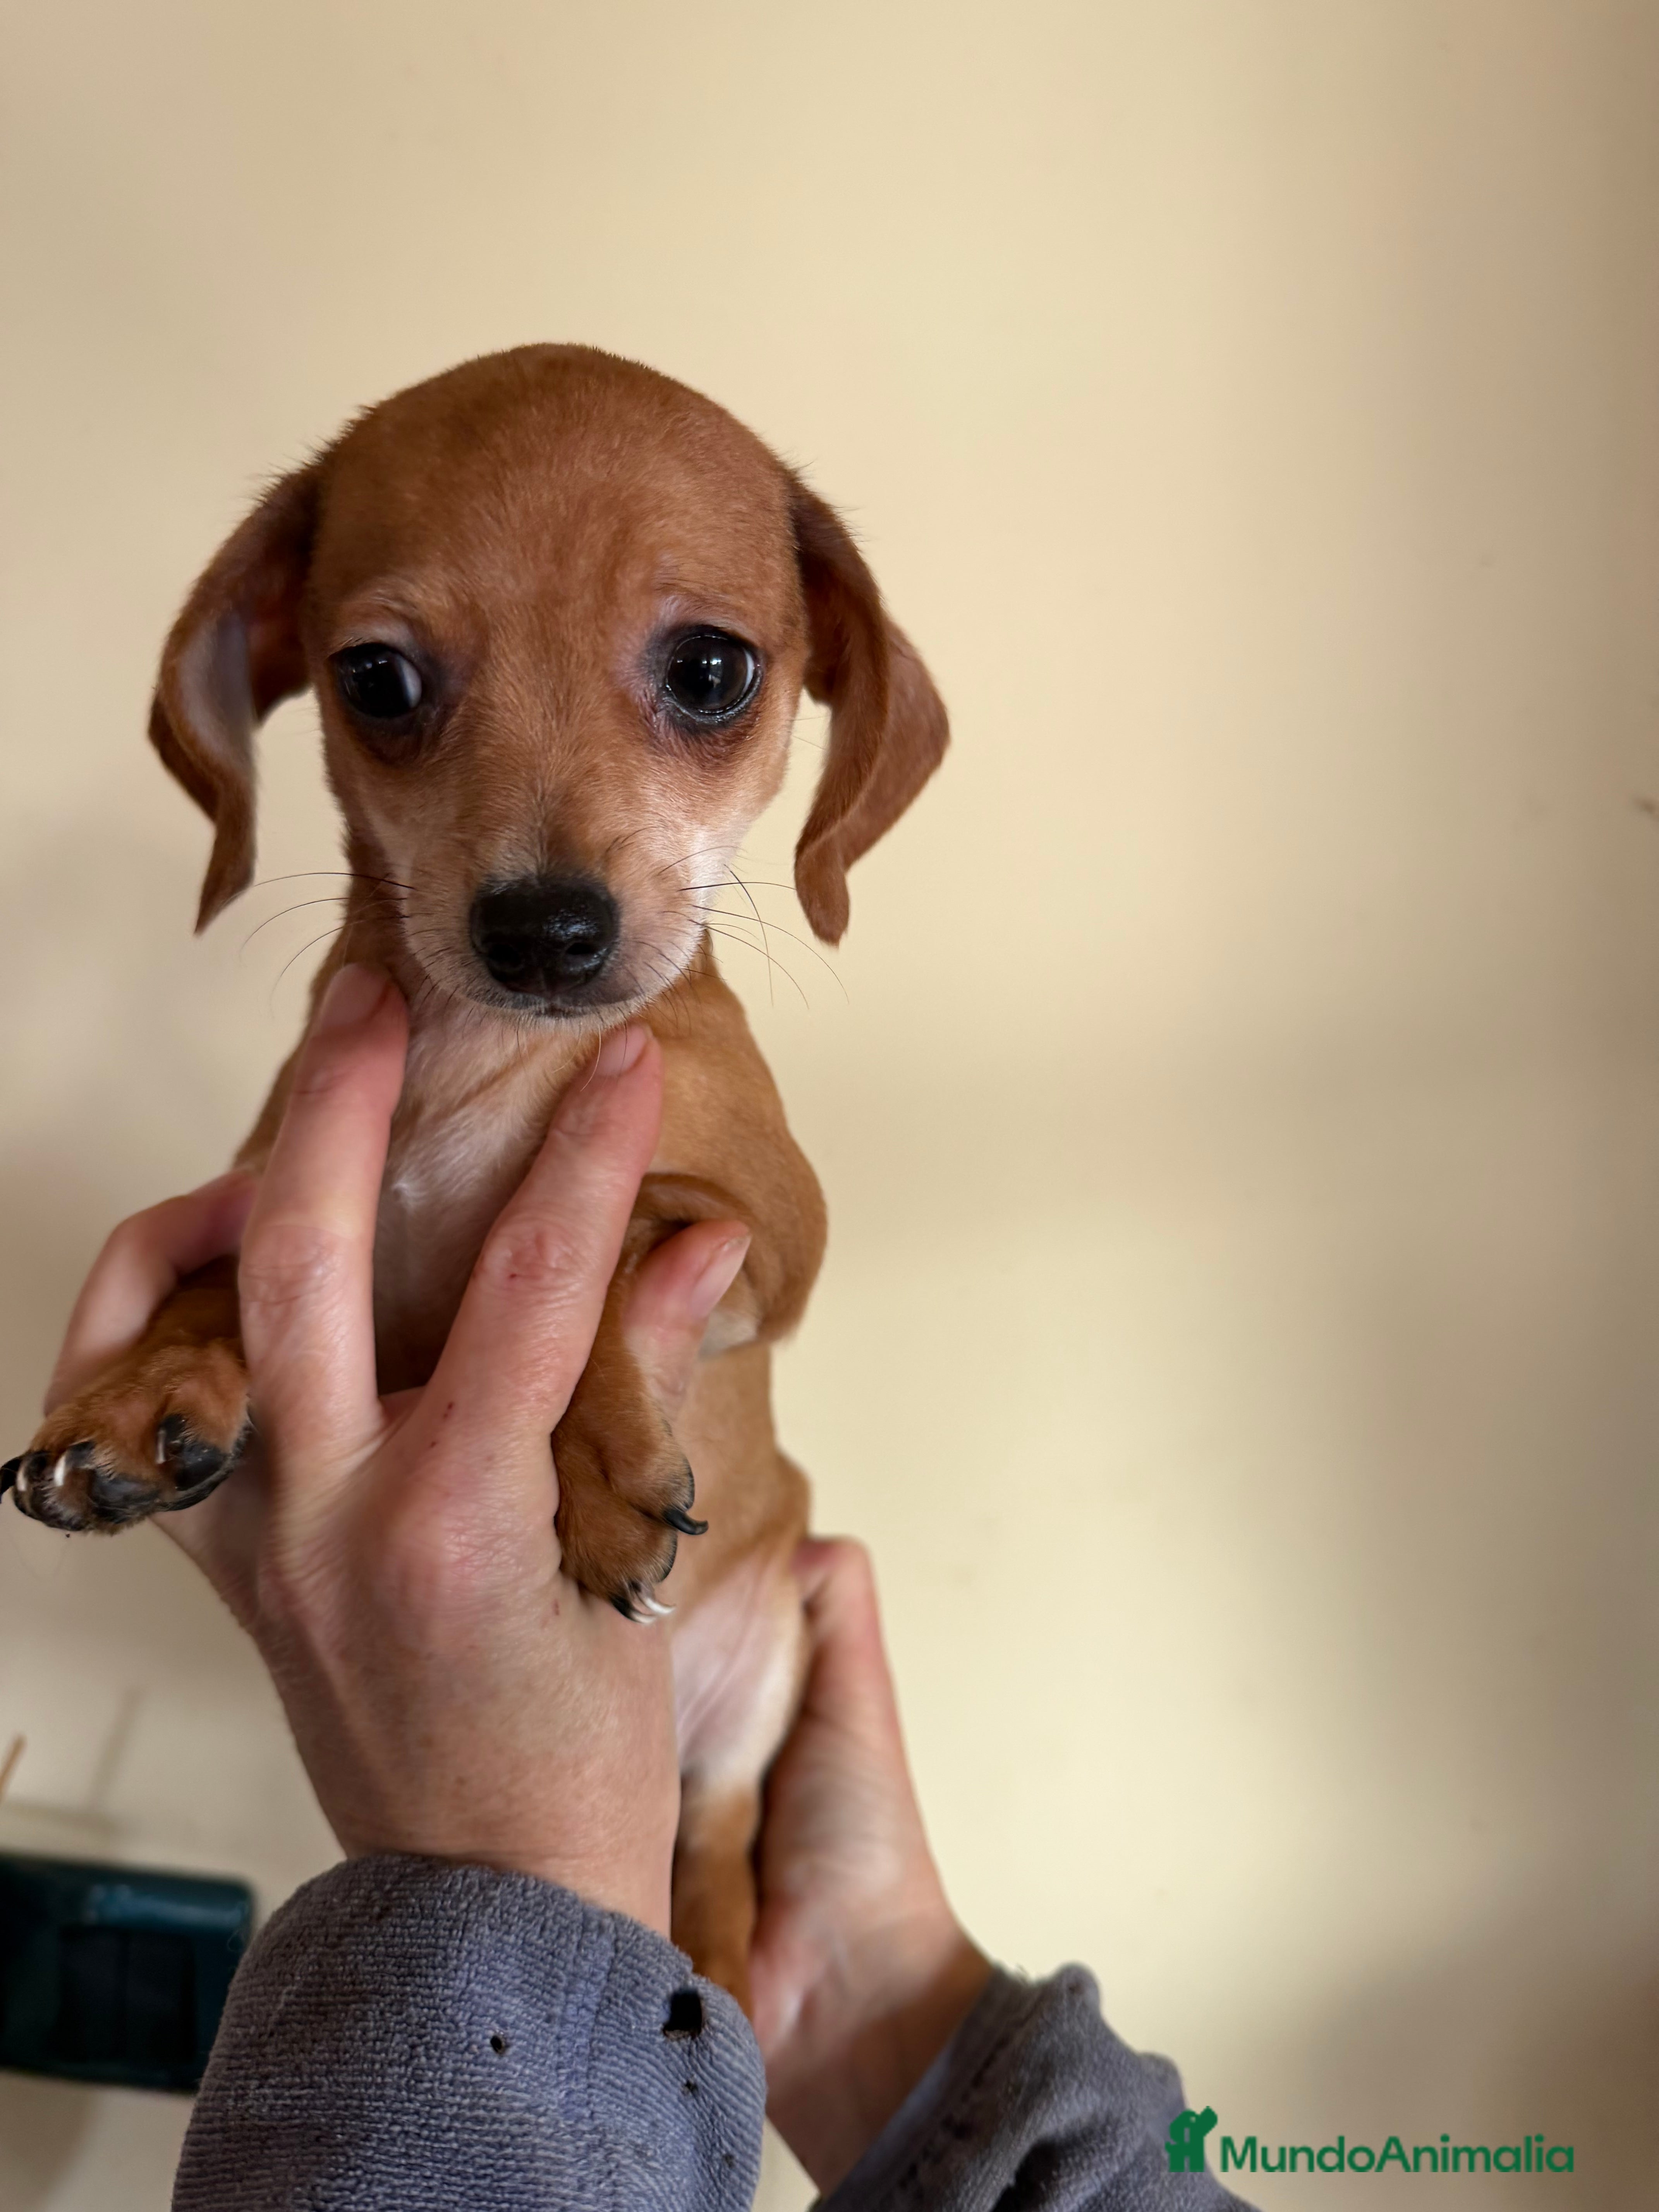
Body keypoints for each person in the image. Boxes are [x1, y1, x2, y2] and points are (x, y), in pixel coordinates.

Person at [38, 967, 1254, 2210]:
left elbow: (769, 1247)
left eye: (701, 747)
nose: (547, 871)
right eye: (408, 747)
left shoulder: (685, 1053)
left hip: (720, 1613)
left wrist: (521, 1856)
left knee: (718, 1830)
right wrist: (196, 1345)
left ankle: (716, 1849)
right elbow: (277, 1287)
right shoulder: (352, 1041)